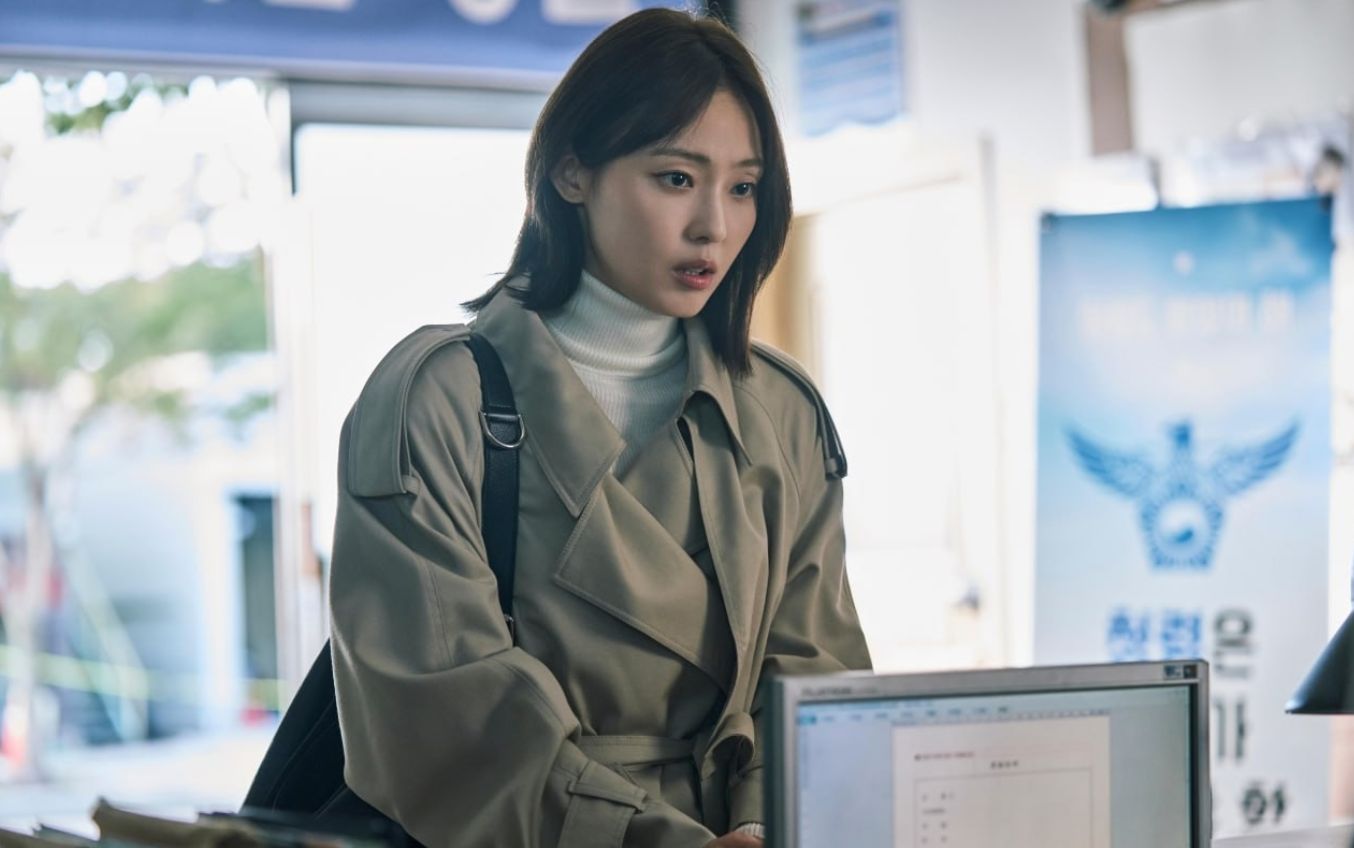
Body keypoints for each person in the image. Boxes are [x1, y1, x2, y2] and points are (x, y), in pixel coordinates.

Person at [328, 8, 871, 847]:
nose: (715, 226)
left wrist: (766, 819)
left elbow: (813, 671)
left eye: (742, 187)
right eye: (677, 179)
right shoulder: (437, 401)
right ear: (571, 173)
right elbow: (445, 715)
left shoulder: (782, 410)